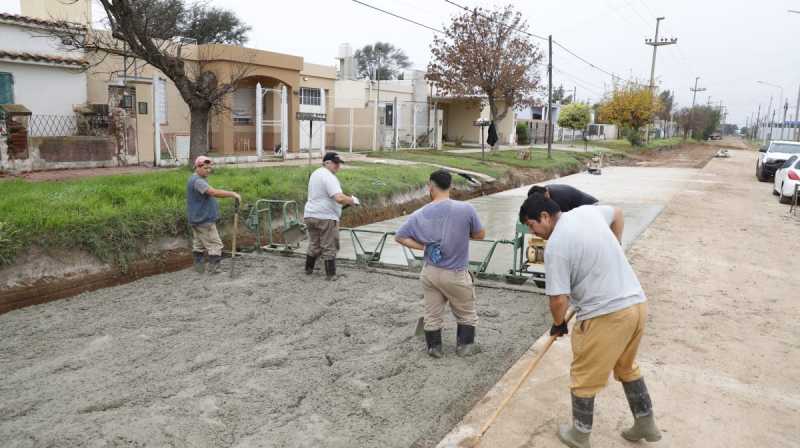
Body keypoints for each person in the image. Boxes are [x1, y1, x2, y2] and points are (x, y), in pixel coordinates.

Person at [518, 195, 661, 448]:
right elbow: (617, 212)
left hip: (606, 315)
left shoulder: (556, 246)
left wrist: (558, 323)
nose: (534, 231)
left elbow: (558, 300)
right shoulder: (586, 212)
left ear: (544, 216)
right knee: (626, 366)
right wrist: (616, 244)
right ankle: (646, 423)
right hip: (636, 305)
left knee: (583, 375)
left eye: (532, 225)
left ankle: (580, 435)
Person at [395, 170, 486, 358]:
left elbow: (400, 237)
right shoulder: (466, 209)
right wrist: (461, 234)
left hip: (430, 272)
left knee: (432, 312)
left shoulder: (419, 214)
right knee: (466, 311)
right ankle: (465, 346)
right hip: (455, 272)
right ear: (450, 186)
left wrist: (423, 246)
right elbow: (480, 235)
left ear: (431, 186)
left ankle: (434, 347)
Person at [304, 152, 360, 280]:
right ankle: (331, 275)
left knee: (314, 244)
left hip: (310, 214)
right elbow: (339, 198)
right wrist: (352, 201)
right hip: (325, 217)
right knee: (329, 245)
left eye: (339, 163)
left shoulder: (316, 174)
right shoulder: (328, 176)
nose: (338, 166)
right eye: (335, 163)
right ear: (326, 162)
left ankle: (308, 270)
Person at [187, 156, 241, 274]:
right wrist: (232, 194)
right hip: (204, 220)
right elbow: (213, 192)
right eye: (206, 168)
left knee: (199, 244)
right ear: (198, 167)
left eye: (209, 168)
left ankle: (199, 268)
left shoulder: (196, 179)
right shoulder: (198, 181)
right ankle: (214, 269)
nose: (208, 170)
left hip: (196, 218)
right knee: (215, 244)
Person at [527, 184, 598, 212]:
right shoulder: (544, 189)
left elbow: (564, 219)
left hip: (592, 206)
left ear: (545, 194)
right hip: (579, 207)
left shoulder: (559, 198)